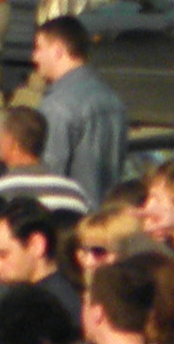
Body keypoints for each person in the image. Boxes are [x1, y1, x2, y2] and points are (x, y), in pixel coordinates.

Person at [29, 15, 125, 206]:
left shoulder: (57, 106)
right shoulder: (111, 98)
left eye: (39, 48)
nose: (34, 57)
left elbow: (49, 176)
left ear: (57, 51)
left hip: (73, 214)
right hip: (106, 212)